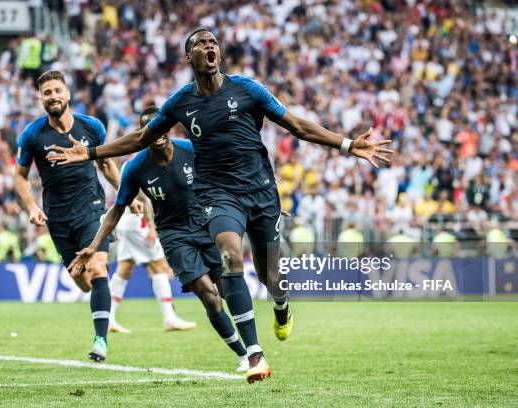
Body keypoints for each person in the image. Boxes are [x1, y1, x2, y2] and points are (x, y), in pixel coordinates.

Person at [46, 29, 393, 380]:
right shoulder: (180, 102)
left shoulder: (248, 89)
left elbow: (297, 126)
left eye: (213, 42)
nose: (209, 46)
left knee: (271, 274)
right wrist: (89, 153)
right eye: (200, 43)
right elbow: (140, 137)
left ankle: (281, 305)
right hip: (217, 194)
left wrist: (348, 145)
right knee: (229, 255)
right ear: (189, 58)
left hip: (260, 190)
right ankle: (255, 355)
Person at [70, 107, 249, 373]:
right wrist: (94, 247)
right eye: (149, 128)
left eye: (160, 126)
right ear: (143, 133)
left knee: (227, 292)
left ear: (168, 127)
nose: (156, 132)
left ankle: (253, 349)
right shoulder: (135, 167)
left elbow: (225, 174)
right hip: (175, 236)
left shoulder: (191, 149)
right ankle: (243, 355)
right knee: (210, 297)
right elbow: (116, 210)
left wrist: (253, 199)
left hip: (207, 226)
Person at [14, 70, 141, 362]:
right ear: (41, 98)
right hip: (58, 218)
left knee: (98, 269)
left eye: (58, 90)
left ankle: (101, 341)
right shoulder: (32, 135)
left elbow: (107, 166)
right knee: (84, 280)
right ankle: (98, 301)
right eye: (47, 93)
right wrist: (32, 206)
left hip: (92, 209)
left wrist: (126, 195)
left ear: (68, 94)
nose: (53, 96)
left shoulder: (91, 126)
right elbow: (20, 177)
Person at [110, 183, 196, 333]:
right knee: (161, 267)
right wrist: (151, 226)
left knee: (124, 270)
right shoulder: (143, 163)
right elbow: (143, 198)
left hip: (125, 222)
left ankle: (108, 318)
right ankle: (170, 317)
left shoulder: (127, 165)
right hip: (138, 222)